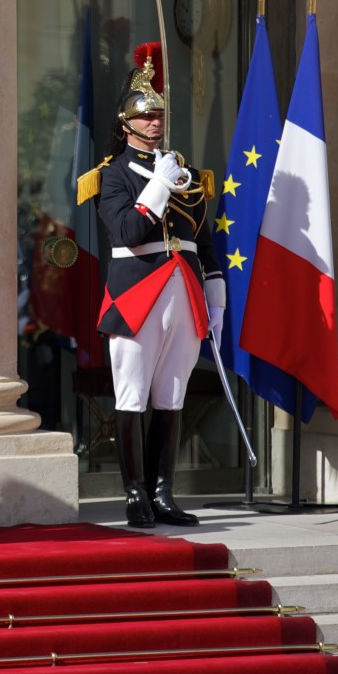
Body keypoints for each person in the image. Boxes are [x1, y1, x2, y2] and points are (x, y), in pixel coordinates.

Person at [78, 43, 224, 528]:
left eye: (159, 114)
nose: (155, 122)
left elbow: (204, 243)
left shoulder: (187, 174)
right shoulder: (112, 176)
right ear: (126, 125)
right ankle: (134, 494)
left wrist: (217, 301)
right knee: (132, 395)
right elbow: (129, 232)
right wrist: (158, 185)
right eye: (145, 116)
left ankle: (163, 493)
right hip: (137, 294)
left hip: (185, 292)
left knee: (172, 395)